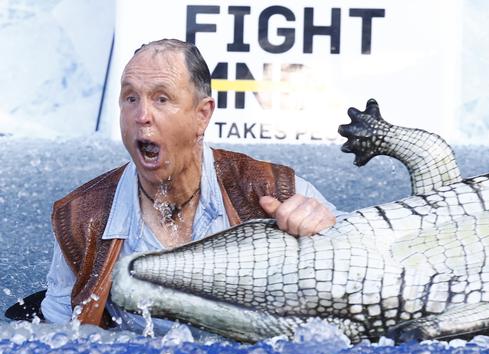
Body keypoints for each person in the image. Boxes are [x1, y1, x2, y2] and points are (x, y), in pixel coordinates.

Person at [39, 39, 340, 331]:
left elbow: (363, 277)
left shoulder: (273, 192)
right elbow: (60, 338)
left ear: (202, 115)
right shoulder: (80, 219)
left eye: (161, 99)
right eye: (131, 98)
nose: (142, 116)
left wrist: (325, 231)